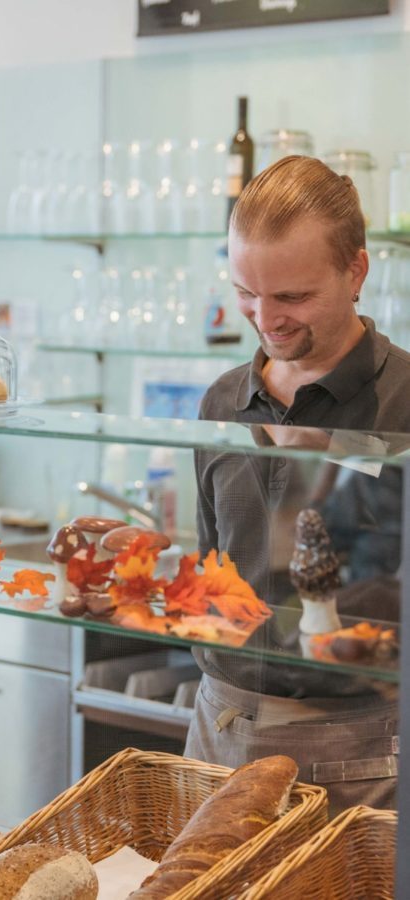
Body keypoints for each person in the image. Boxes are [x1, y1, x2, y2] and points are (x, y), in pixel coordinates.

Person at [185, 156, 410, 814]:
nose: (265, 317)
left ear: (356, 271)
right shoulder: (222, 401)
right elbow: (212, 568)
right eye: (246, 291)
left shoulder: (405, 402)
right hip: (219, 730)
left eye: (292, 297)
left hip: (362, 748)